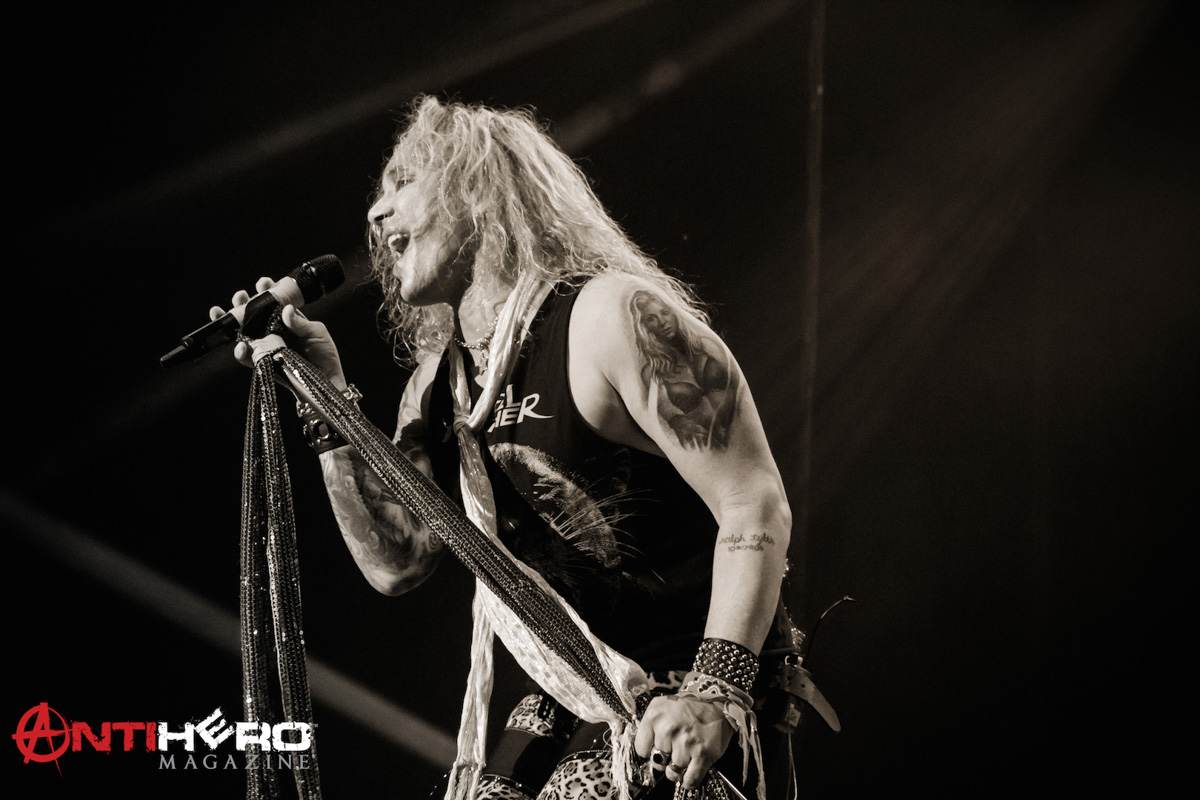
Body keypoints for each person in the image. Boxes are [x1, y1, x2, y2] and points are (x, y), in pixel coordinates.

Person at [216, 96, 799, 800]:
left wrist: (714, 693)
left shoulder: (612, 318)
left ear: (477, 188)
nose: (376, 211)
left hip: (692, 681)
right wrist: (323, 397)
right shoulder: (438, 390)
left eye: (404, 182)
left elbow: (752, 500)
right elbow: (397, 562)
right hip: (580, 692)